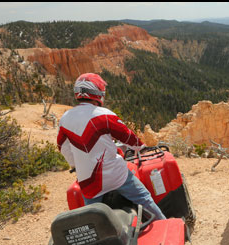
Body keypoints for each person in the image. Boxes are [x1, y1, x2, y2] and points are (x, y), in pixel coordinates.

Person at [57, 73, 166, 220]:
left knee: (92, 215)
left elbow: (62, 146)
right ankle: (164, 223)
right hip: (115, 175)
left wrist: (75, 164)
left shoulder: (65, 119)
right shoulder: (105, 115)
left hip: (88, 181)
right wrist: (141, 147)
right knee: (144, 197)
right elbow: (128, 137)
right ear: (98, 93)